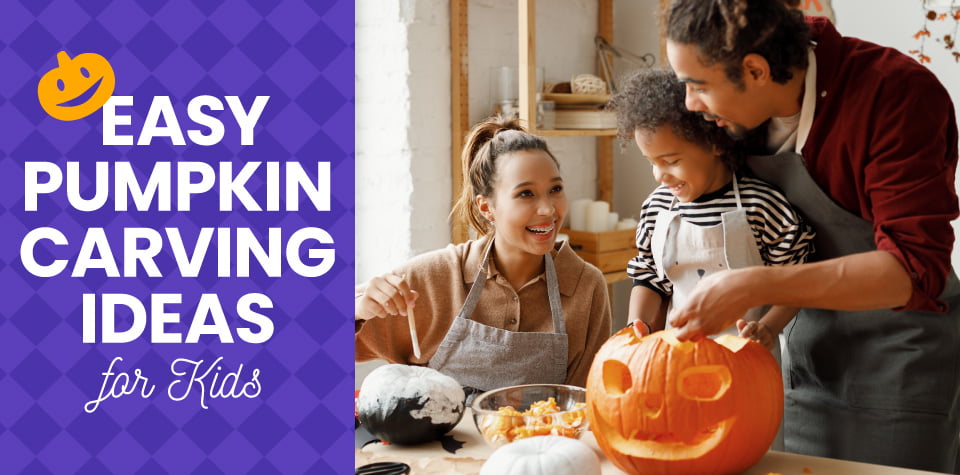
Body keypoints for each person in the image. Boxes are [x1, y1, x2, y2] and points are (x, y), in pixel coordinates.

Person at [663, 0, 960, 471]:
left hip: (900, 359)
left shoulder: (895, 94)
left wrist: (756, 284)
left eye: (697, 87)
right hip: (798, 359)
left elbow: (912, 270)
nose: (690, 105)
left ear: (757, 70)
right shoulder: (730, 117)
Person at [355, 116, 612, 393]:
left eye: (555, 189)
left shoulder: (585, 286)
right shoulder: (437, 277)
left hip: (544, 437)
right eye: (526, 193)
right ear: (486, 207)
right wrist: (356, 312)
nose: (548, 209)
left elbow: (586, 404)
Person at [613, 68, 815, 352]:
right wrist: (639, 325)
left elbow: (795, 281)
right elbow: (649, 277)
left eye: (670, 161)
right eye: (651, 162)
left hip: (746, 358)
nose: (659, 175)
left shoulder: (762, 206)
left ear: (715, 144)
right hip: (676, 355)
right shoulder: (657, 207)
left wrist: (768, 327)